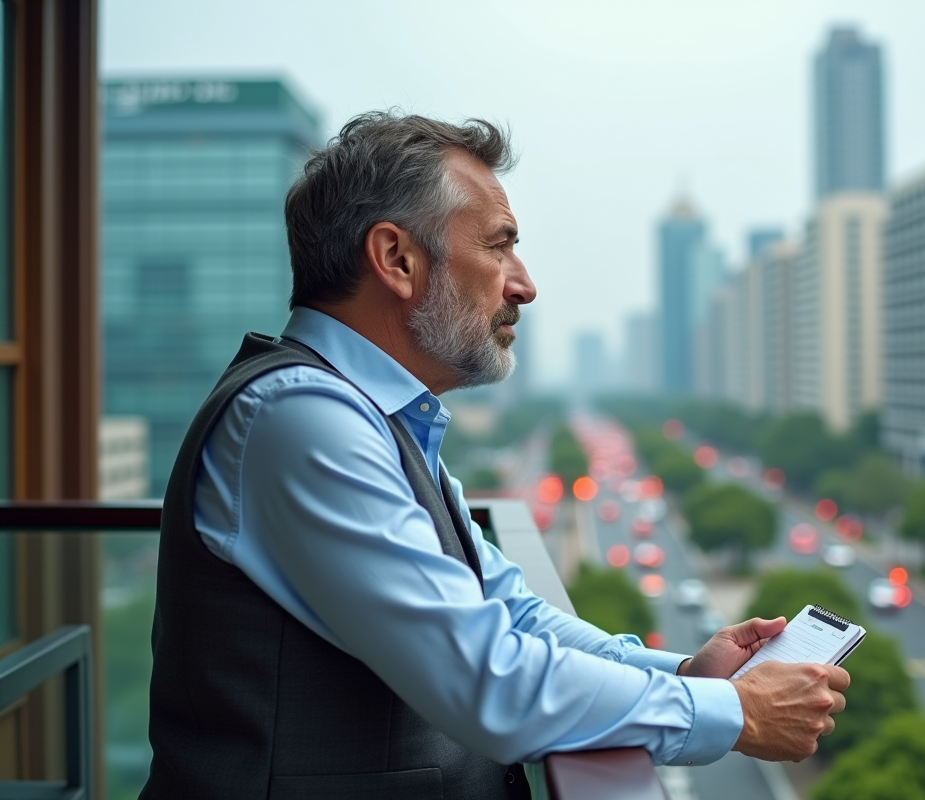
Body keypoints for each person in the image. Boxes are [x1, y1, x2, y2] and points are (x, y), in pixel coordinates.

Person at [140, 112, 850, 800]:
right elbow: (489, 678)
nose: (524, 284)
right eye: (498, 245)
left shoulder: (376, 417)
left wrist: (690, 676)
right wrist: (735, 713)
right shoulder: (301, 419)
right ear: (397, 259)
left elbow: (511, 615)